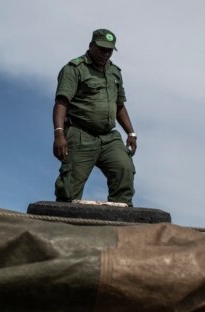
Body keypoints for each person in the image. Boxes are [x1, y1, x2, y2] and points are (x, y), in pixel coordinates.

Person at [52, 29, 138, 206]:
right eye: (101, 49)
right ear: (91, 45)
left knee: (124, 169)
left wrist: (131, 133)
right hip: (80, 133)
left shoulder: (114, 72)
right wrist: (59, 134)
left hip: (109, 136)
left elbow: (119, 105)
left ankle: (120, 223)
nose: (105, 54)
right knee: (69, 188)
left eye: (109, 50)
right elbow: (62, 102)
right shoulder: (74, 69)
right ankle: (64, 224)